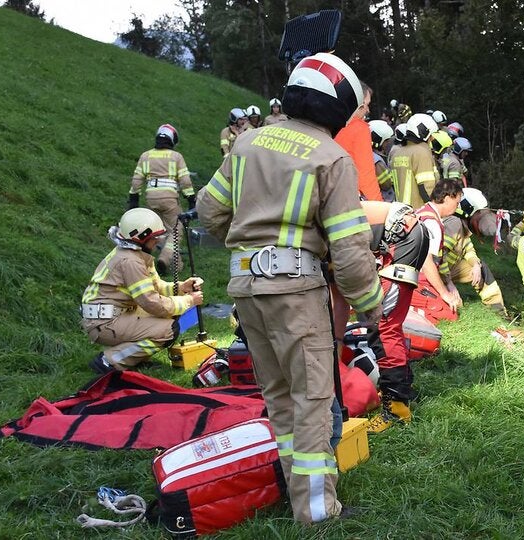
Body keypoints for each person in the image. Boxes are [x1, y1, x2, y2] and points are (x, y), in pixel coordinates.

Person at [197, 52, 383, 525]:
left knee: (279, 396)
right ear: (339, 108)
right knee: (313, 401)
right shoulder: (332, 158)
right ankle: (318, 513)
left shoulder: (247, 143)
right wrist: (370, 305)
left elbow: (210, 211)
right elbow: (350, 250)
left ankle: (293, 488)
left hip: (246, 290)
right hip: (296, 293)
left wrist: (251, 251)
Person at [82, 208, 204, 373]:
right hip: (105, 323)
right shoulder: (131, 262)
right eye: (154, 237)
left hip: (111, 315)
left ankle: (134, 359)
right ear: (141, 238)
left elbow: (155, 287)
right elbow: (152, 302)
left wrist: (182, 287)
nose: (157, 241)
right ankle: (110, 360)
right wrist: (188, 301)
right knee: (168, 330)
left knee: (168, 315)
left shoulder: (136, 254)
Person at [364, 202, 431, 433]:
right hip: (404, 233)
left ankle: (396, 408)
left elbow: (340, 293)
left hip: (403, 237)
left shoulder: (316, 234)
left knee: (383, 326)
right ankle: (401, 392)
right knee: (388, 324)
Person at [128, 124, 195, 275]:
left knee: (156, 230)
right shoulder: (176, 157)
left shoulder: (146, 156)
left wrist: (134, 199)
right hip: (170, 200)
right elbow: (185, 181)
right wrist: (191, 199)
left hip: (151, 199)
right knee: (176, 229)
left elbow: (137, 180)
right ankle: (164, 258)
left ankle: (174, 265)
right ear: (172, 140)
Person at [440, 188, 508, 317]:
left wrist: (476, 265)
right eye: (480, 214)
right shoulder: (453, 224)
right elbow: (438, 257)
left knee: (482, 269)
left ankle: (500, 313)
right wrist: (449, 284)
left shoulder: (462, 226)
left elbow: (468, 249)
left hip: (448, 269)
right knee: (453, 309)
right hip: (435, 273)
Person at [417, 179, 464, 314]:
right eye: (457, 203)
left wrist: (448, 283)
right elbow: (427, 263)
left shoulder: (423, 211)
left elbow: (439, 259)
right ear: (447, 199)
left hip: (410, 276)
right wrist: (444, 293)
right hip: (416, 280)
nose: (457, 207)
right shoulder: (432, 223)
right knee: (448, 313)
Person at [334, 81, 382, 201]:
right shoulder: (359, 129)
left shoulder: (329, 125)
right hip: (351, 200)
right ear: (357, 103)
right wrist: (379, 205)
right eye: (366, 104)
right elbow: (366, 177)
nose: (368, 110)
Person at [390, 113, 439, 209]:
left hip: (400, 211)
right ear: (424, 132)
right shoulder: (421, 153)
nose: (432, 138)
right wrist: (434, 209)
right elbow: (426, 188)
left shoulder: (397, 153)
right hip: (418, 211)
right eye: (431, 135)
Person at [368, 119, 396, 201]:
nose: (387, 143)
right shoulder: (376, 160)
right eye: (386, 141)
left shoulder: (367, 155)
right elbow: (386, 184)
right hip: (384, 200)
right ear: (378, 140)